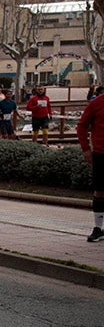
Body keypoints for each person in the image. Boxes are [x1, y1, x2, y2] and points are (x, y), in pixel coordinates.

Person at [76, 92, 104, 242]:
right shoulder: (96, 103)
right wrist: (86, 149)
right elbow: (81, 126)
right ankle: (98, 228)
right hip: (101, 153)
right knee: (100, 190)